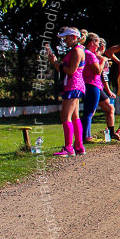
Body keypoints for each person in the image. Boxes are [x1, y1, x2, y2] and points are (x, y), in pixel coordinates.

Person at [45, 27, 87, 156]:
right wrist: (56, 62)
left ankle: (69, 147)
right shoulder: (77, 50)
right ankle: (79, 146)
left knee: (65, 116)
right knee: (74, 116)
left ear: (74, 37)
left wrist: (56, 62)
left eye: (66, 38)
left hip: (73, 85)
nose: (65, 41)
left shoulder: (76, 51)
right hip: (73, 85)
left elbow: (71, 70)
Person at [79, 32, 105, 145]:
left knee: (89, 111)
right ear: (91, 43)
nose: (98, 46)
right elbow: (97, 70)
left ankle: (86, 135)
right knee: (89, 111)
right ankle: (86, 136)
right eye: (97, 43)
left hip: (89, 84)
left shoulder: (86, 53)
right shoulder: (89, 54)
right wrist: (103, 61)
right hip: (92, 84)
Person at [95, 40, 118, 142]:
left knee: (108, 109)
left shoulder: (93, 56)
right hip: (96, 86)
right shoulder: (101, 59)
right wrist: (109, 91)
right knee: (109, 109)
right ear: (103, 47)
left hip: (94, 86)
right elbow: (103, 77)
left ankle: (110, 133)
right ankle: (111, 134)